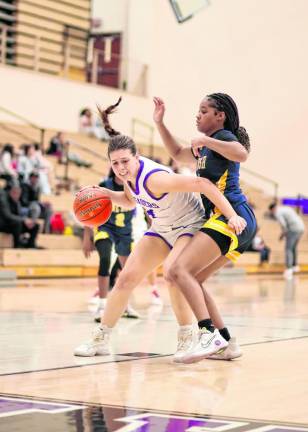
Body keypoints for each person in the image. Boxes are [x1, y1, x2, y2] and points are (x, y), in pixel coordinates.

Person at [74, 98, 247, 358]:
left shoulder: (156, 178)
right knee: (125, 279)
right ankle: (101, 338)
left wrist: (232, 215)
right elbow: (130, 201)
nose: (121, 168)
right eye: (115, 163)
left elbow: (203, 186)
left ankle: (187, 336)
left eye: (125, 161)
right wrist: (106, 194)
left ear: (137, 157)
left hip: (189, 223)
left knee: (172, 274)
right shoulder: (127, 179)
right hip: (164, 227)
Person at [152, 93, 257, 363]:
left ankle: (208, 334)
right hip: (232, 221)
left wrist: (206, 139)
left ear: (219, 116)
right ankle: (227, 343)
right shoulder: (207, 148)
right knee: (193, 279)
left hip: (231, 216)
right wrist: (160, 123)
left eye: (203, 110)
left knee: (177, 269)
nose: (197, 115)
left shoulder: (222, 138)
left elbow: (242, 154)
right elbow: (176, 153)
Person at [83, 168, 140, 321]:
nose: (122, 170)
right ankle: (101, 306)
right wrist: (86, 237)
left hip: (125, 232)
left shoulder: (133, 187)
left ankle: (125, 305)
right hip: (105, 228)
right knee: (105, 259)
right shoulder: (104, 186)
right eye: (117, 167)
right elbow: (89, 210)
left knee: (127, 271)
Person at [268, 202, 304, 279]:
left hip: (293, 229)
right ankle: (295, 266)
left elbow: (283, 225)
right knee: (293, 247)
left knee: (288, 248)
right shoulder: (285, 208)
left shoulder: (277, 212)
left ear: (272, 209)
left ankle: (289, 268)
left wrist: (282, 235)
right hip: (301, 227)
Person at [0, 183, 40, 248]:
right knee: (18, 223)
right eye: (15, 193)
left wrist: (28, 221)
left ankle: (31, 245)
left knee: (35, 225)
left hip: (14, 224)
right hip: (4, 224)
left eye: (18, 193)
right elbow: (7, 216)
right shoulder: (3, 200)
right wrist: (24, 220)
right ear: (11, 192)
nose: (17, 195)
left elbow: (19, 215)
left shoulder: (17, 202)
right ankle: (17, 245)